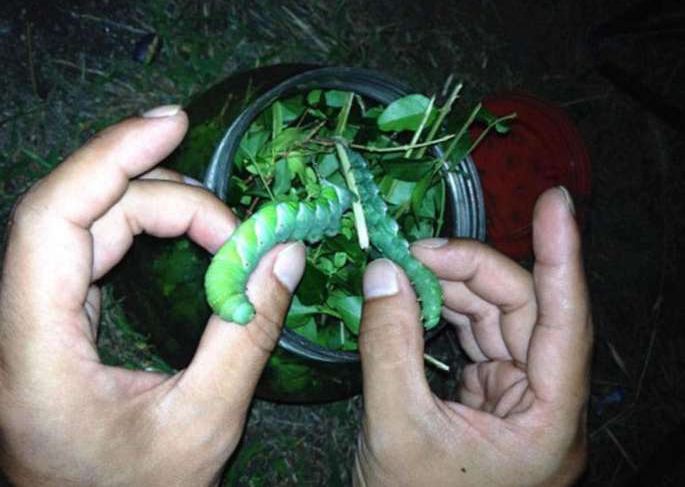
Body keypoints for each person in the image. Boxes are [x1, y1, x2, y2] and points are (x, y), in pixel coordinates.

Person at [0, 105, 592, 486]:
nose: (240, 308)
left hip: (340, 205)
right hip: (317, 211)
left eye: (234, 300)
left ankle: (394, 251)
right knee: (326, 219)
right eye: (235, 301)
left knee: (356, 222)